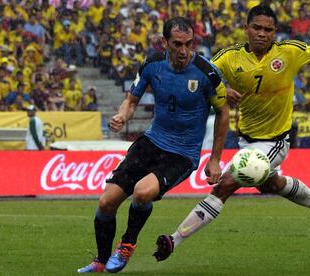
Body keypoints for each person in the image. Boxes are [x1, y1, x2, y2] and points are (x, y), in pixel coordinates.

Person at [153, 4, 310, 262]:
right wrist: (222, 87)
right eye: (256, 28)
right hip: (247, 139)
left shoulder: (291, 51)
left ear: (275, 32)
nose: (262, 33)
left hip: (276, 140)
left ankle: (173, 240)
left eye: (268, 29)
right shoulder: (229, 57)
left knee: (226, 184)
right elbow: (201, 76)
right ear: (246, 29)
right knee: (270, 184)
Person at [77, 17, 229, 273]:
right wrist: (122, 115)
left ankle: (127, 244)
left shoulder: (206, 72)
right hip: (151, 141)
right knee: (106, 202)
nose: (183, 51)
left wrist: (214, 159)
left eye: (189, 44)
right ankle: (101, 261)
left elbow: (223, 112)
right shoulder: (152, 64)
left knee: (142, 192)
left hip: (182, 153)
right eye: (177, 44)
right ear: (165, 42)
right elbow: (132, 100)